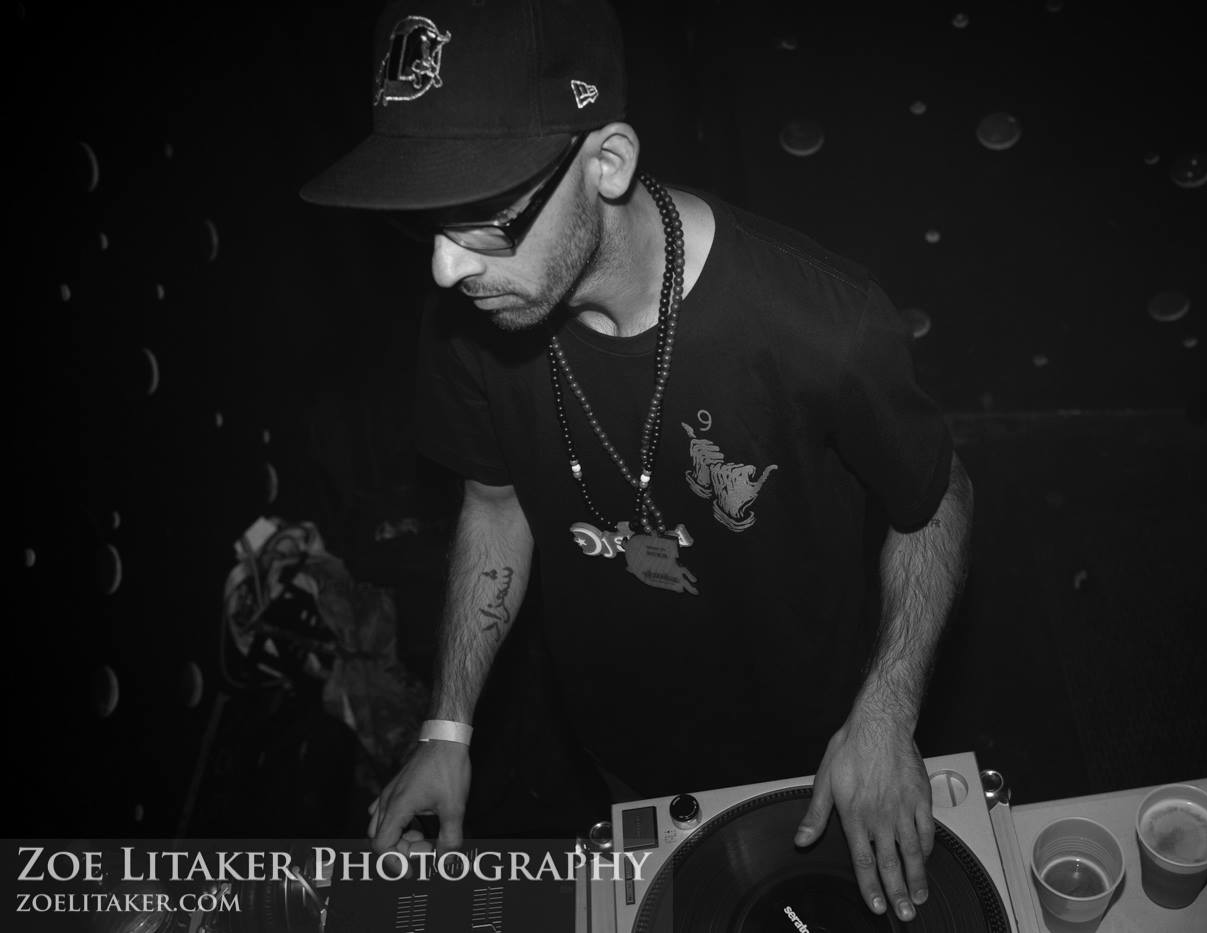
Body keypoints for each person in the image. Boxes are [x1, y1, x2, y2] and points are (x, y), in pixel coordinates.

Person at [302, 0, 973, 923]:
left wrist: (887, 712)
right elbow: (495, 502)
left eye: (486, 219)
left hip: (817, 744)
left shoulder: (819, 324)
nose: (446, 269)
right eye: (425, 227)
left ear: (608, 163)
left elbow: (937, 499)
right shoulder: (470, 316)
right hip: (619, 746)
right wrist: (448, 727)